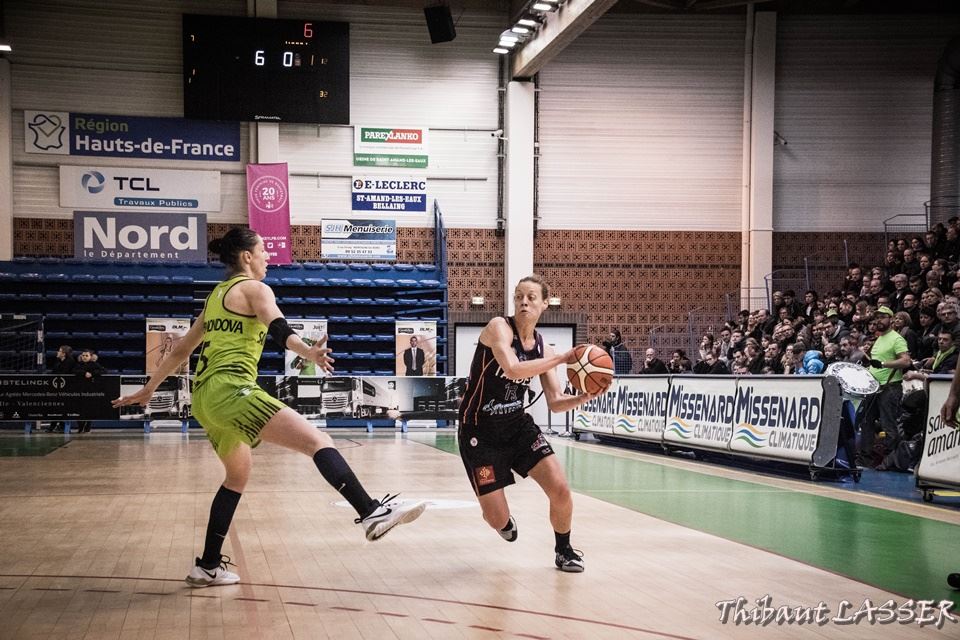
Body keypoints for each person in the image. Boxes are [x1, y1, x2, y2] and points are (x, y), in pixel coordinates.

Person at [112, 228, 426, 588]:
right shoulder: (256, 289)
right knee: (317, 440)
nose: (268, 258)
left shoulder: (216, 295)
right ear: (246, 256)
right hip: (232, 389)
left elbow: (183, 349)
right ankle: (370, 512)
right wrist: (307, 351)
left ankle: (208, 566)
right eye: (262, 251)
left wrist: (151, 387)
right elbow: (278, 327)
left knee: (237, 476)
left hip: (204, 399)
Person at [457, 275, 610, 573]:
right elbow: (513, 369)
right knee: (497, 520)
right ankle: (502, 520)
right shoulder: (498, 327)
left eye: (530, 297)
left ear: (543, 304)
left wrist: (585, 396)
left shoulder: (543, 348)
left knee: (561, 489)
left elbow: (555, 400)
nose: (524, 301)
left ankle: (564, 550)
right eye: (519, 296)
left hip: (518, 427)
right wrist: (561, 358)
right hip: (479, 432)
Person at [857, 306, 912, 467]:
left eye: (883, 317)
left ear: (891, 319)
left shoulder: (897, 339)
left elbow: (906, 361)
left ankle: (890, 460)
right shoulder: (879, 339)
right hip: (874, 387)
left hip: (890, 387)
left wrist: (883, 363)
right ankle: (864, 459)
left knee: (889, 424)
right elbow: (875, 365)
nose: (878, 320)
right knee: (866, 422)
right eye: (877, 317)